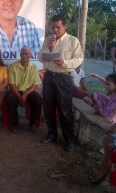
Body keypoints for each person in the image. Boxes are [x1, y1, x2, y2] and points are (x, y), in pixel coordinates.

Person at [38, 14, 84, 152]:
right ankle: (52, 134)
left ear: (64, 26)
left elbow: (79, 59)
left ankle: (69, 139)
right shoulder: (48, 40)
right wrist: (48, 48)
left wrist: (65, 63)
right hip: (49, 77)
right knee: (48, 108)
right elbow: (41, 57)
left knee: (65, 110)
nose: (55, 30)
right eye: (53, 27)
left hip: (63, 78)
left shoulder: (72, 40)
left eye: (58, 27)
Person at [6, 46, 42, 133]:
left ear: (30, 55)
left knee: (38, 99)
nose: (24, 55)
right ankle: (15, 123)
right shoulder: (13, 66)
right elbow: (11, 84)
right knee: (10, 98)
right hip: (16, 91)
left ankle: (32, 124)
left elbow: (35, 84)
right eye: (23, 53)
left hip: (28, 91)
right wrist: (19, 96)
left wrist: (25, 95)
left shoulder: (34, 67)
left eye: (27, 54)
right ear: (20, 54)